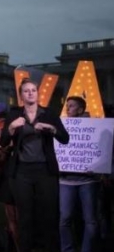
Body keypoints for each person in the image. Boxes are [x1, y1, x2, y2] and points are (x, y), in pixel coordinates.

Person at [0, 78, 69, 252]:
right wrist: (11, 129)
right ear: (21, 95)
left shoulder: (49, 113)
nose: (30, 93)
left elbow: (65, 138)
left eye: (33, 90)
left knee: (48, 214)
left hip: (45, 171)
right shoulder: (14, 114)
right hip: (22, 172)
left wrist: (52, 129)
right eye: (26, 91)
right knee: (25, 216)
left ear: (38, 93)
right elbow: (3, 142)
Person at [59, 96, 99, 252]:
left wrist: (97, 165)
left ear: (81, 109)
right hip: (66, 181)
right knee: (64, 220)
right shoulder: (61, 126)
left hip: (88, 181)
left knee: (90, 220)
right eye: (67, 106)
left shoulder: (95, 127)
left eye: (72, 106)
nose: (68, 109)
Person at [0, 102, 19, 252]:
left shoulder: (18, 131)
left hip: (18, 177)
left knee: (16, 218)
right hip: (5, 177)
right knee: (12, 218)